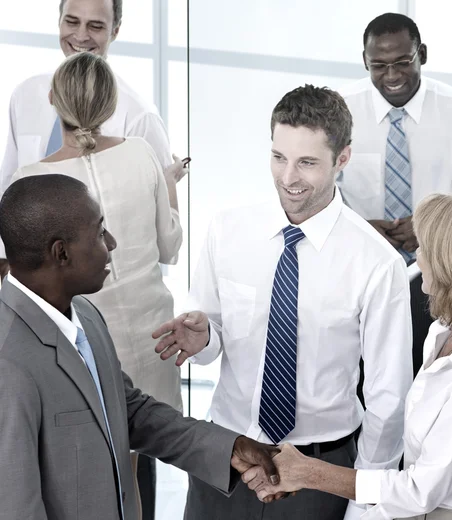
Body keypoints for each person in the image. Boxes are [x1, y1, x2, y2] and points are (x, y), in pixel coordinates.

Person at [153, 85, 413, 520]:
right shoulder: (227, 231)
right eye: (279, 157)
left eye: (307, 163)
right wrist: (207, 339)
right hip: (226, 457)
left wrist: (365, 503)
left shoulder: (377, 263)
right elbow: (215, 333)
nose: (288, 177)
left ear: (342, 159)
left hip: (318, 470)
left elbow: (389, 398)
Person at [0, 174, 283, 520]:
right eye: (100, 232)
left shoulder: (86, 315)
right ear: (61, 253)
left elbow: (130, 412)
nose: (112, 242)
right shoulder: (8, 363)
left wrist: (230, 448)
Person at [242, 193, 452, 520]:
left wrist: (309, 472)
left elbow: (419, 491)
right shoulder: (445, 333)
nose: (418, 257)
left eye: (427, 249)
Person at [9, 51, 184, 518]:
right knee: (136, 462)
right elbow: (170, 248)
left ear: (52, 99)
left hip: (81, 350)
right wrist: (169, 187)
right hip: (154, 342)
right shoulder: (141, 153)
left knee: (90, 471)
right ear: (111, 104)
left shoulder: (31, 180)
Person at [338, 13, 452, 375]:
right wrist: (355, 225)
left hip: (434, 278)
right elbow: (319, 186)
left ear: (422, 54)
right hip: (357, 269)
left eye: (402, 61)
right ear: (364, 62)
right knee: (355, 376)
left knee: (422, 374)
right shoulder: (342, 110)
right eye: (379, 65)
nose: (392, 75)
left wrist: (433, 228)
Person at [0, 0, 184, 293]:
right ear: (59, 21)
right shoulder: (25, 95)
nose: (81, 35)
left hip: (109, 297)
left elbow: (158, 241)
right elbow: (6, 187)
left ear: (115, 30)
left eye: (95, 25)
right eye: (72, 22)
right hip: (32, 291)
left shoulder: (140, 116)